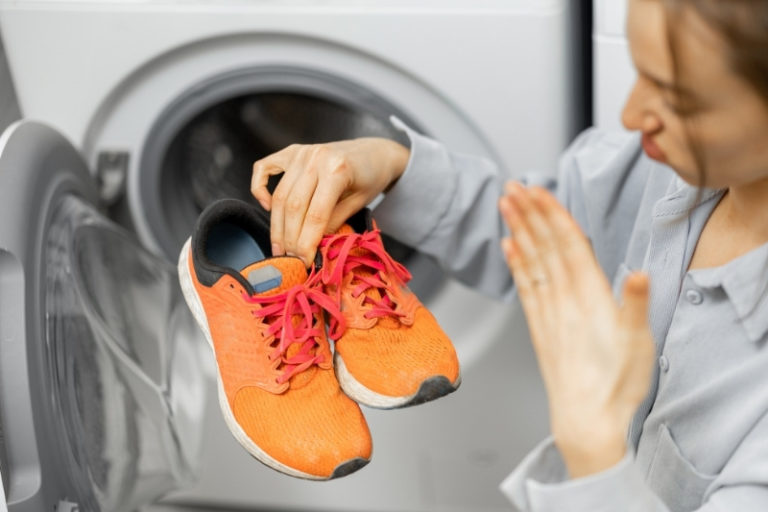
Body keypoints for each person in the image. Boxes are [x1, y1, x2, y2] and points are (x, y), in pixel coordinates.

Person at [250, 0, 768, 510]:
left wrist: (594, 453)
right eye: (641, 71)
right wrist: (394, 165)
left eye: (680, 100)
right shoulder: (667, 166)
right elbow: (539, 230)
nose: (632, 115)